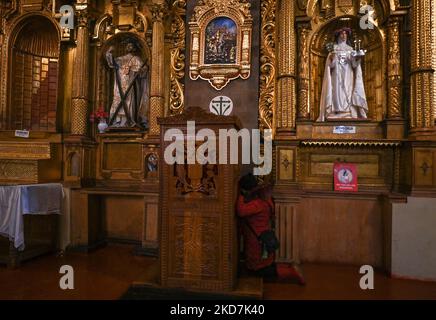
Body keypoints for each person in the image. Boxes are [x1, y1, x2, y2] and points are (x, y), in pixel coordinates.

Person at [317, 27, 368, 121]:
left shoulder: (350, 49)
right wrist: (332, 57)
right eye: (342, 34)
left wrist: (358, 58)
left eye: (345, 34)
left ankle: (348, 112)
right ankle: (337, 111)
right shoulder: (334, 49)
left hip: (348, 74)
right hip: (337, 74)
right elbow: (330, 66)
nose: (344, 36)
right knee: (337, 91)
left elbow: (354, 64)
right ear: (338, 36)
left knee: (348, 92)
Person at [236, 173, 277, 278]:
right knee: (265, 260)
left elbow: (241, 211)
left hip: (256, 239)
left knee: (256, 265)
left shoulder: (257, 204)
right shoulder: (267, 201)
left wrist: (241, 196)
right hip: (264, 235)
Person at [106, 39, 149, 128]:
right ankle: (117, 121)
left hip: (131, 85)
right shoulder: (121, 59)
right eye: (128, 45)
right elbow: (111, 63)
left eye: (131, 46)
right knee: (118, 101)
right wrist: (109, 52)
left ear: (134, 48)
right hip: (120, 86)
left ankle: (129, 120)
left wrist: (142, 70)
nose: (129, 47)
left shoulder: (136, 59)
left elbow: (144, 70)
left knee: (130, 102)